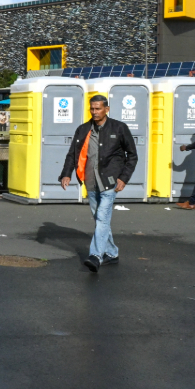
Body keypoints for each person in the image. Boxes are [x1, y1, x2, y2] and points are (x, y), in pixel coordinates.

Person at [59, 95, 137, 273]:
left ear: (106, 109)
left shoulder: (119, 128)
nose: (94, 112)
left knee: (102, 217)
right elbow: (73, 154)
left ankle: (96, 255)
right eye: (92, 109)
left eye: (98, 109)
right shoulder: (83, 129)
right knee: (100, 219)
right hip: (90, 181)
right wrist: (66, 174)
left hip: (110, 181)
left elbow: (132, 155)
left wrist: (124, 178)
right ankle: (112, 252)